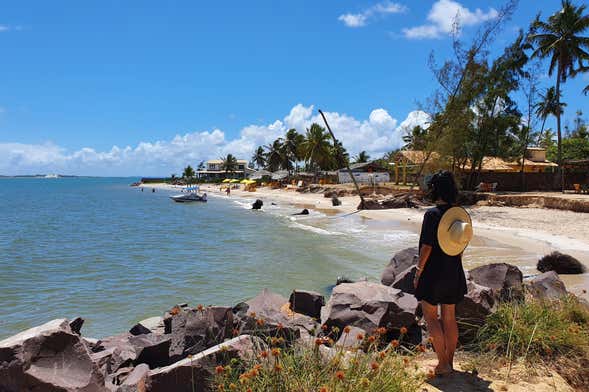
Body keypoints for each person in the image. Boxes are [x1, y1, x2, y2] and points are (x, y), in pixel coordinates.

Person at [413, 170, 471, 376]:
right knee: (449, 317)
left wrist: (418, 271)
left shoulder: (432, 215)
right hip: (453, 270)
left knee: (430, 317)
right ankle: (450, 362)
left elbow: (427, 247)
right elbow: (462, 243)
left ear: (435, 190)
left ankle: (442, 364)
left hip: (433, 272)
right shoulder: (459, 215)